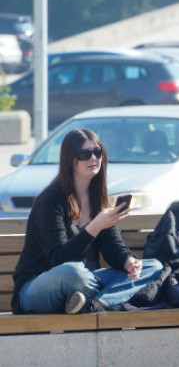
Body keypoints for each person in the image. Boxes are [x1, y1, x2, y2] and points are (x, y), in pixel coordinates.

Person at [11, 128, 163, 314]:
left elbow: (114, 248)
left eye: (97, 152)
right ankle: (108, 299)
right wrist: (95, 226)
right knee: (74, 272)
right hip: (39, 288)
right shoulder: (50, 201)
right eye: (85, 154)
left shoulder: (97, 200)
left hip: (85, 284)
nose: (93, 158)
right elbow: (59, 259)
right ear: (70, 160)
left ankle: (94, 304)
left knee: (154, 267)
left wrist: (128, 262)